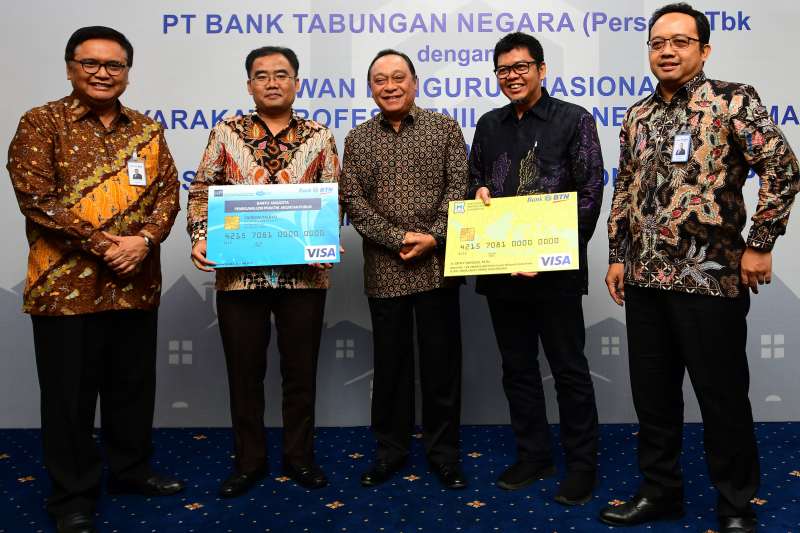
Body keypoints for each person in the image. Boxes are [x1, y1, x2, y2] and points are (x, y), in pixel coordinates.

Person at [600, 4, 799, 533]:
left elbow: (782, 169)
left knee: (722, 397)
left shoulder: (733, 101)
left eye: (680, 41)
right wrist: (617, 254)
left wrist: (760, 244)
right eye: (658, 42)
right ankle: (659, 492)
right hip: (645, 279)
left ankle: (735, 504)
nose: (667, 51)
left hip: (710, 278)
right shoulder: (637, 115)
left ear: (704, 49)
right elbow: (626, 188)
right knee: (654, 398)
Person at [6, 26, 182, 533]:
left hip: (135, 284)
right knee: (68, 398)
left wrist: (144, 240)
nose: (103, 73)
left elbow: (168, 193)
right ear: (70, 69)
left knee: (132, 388)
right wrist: (107, 246)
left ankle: (131, 470)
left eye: (114, 65)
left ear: (127, 72)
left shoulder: (147, 130)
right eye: (91, 63)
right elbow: (37, 199)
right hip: (65, 288)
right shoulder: (41, 123)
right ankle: (72, 495)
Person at [187, 46, 339, 497]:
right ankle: (249, 461)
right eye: (262, 75)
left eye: (281, 74)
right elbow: (202, 189)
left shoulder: (320, 136)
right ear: (249, 84)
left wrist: (325, 239)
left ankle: (299, 458)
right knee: (244, 373)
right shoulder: (225, 132)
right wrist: (201, 234)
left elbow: (333, 195)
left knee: (301, 372)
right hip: (239, 275)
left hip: (304, 276)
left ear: (297, 83)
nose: (272, 82)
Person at [468, 32, 604, 505]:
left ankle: (582, 464)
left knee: (569, 370)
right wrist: (478, 192)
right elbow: (474, 181)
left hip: (555, 274)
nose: (512, 76)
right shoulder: (489, 124)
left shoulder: (574, 119)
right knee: (518, 369)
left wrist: (547, 256)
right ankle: (534, 455)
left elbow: (590, 192)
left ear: (541, 70)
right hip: (502, 271)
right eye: (504, 70)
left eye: (521, 67)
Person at [340, 49, 468, 489]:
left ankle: (444, 454)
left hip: (438, 266)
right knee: (390, 367)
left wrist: (433, 236)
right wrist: (398, 239)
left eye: (399, 77)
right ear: (370, 88)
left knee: (441, 367)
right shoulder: (358, 139)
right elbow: (353, 202)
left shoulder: (444, 128)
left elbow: (460, 188)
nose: (390, 86)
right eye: (381, 80)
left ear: (415, 83)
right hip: (384, 269)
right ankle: (390, 451)